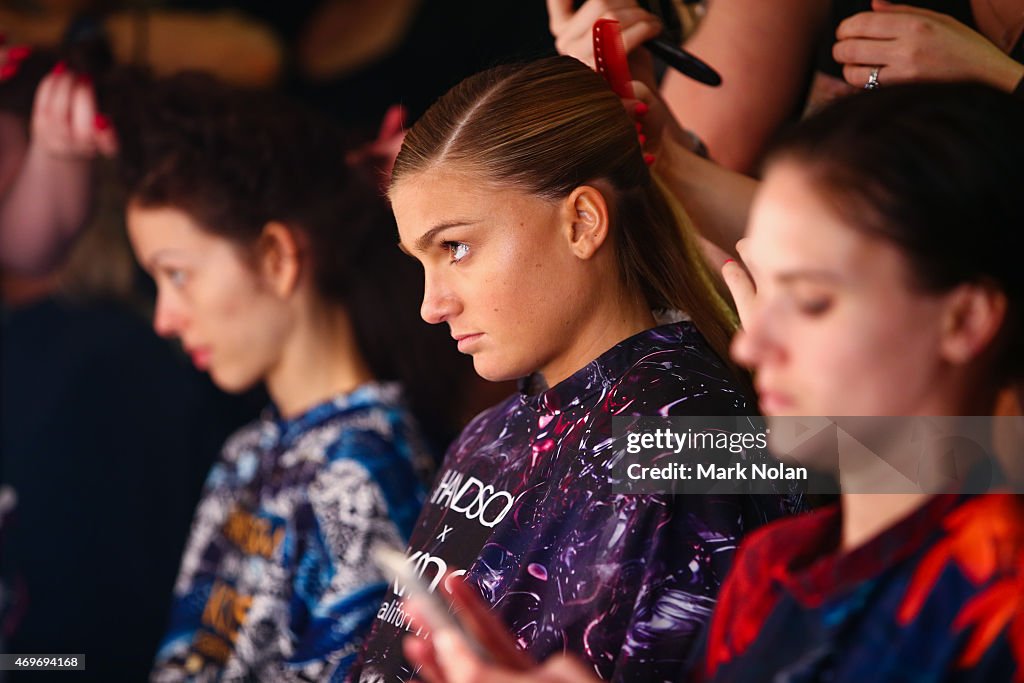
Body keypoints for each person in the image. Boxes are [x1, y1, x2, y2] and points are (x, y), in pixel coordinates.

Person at [402, 81, 1024, 683]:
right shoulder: (770, 569)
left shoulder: (677, 433)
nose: (750, 344)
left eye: (810, 301)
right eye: (768, 290)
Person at [349, 54, 798, 683]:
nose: (431, 305)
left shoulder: (685, 436)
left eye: (456, 247)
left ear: (582, 222)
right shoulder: (488, 434)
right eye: (420, 262)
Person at [108, 73, 467, 680]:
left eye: (179, 275)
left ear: (276, 256)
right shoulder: (246, 453)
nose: (165, 318)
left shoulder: (364, 475)